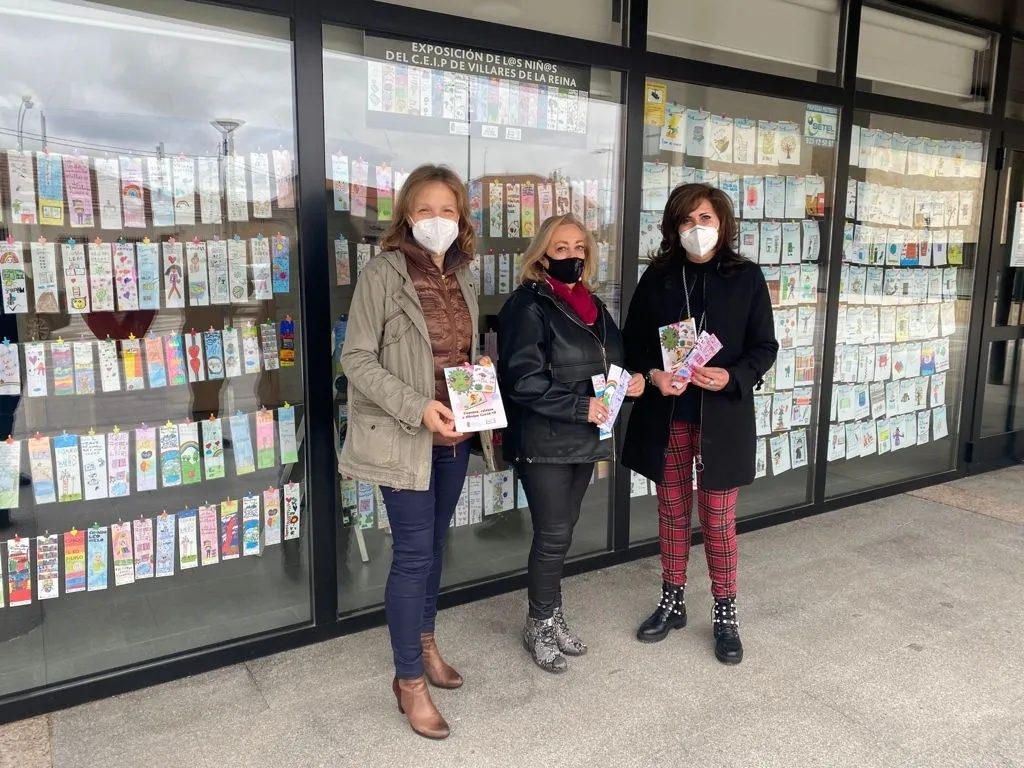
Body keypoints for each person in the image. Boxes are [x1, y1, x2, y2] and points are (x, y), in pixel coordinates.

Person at [339, 164, 485, 740]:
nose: (436, 221)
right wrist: (417, 407)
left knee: (434, 548)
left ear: (460, 218)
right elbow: (356, 359)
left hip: (455, 433)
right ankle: (408, 682)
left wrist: (479, 377)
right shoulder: (381, 275)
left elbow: (456, 352)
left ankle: (425, 644)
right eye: (424, 210)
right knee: (413, 555)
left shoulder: (463, 275)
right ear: (406, 215)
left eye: (446, 210)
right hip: (405, 436)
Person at [621, 183, 778, 665]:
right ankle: (672, 601)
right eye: (687, 221)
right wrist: (653, 373)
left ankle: (726, 612)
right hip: (669, 416)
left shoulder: (746, 276)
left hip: (722, 419)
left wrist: (732, 375)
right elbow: (633, 343)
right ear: (674, 227)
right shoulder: (659, 276)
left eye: (705, 219)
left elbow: (764, 348)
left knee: (716, 517)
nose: (697, 229)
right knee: (671, 511)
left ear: (723, 224)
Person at [497, 213, 643, 673]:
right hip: (545, 439)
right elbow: (521, 380)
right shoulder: (527, 305)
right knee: (553, 534)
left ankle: (550, 613)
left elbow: (610, 360)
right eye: (561, 248)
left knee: (562, 534)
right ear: (541, 254)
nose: (572, 256)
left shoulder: (593, 304)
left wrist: (631, 382)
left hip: (585, 437)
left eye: (580, 247)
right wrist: (581, 407)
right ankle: (538, 623)